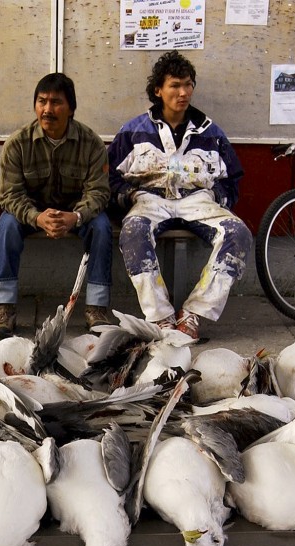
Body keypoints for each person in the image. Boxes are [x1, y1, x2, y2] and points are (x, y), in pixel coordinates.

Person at [108, 51, 252, 339]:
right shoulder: (134, 131)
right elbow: (112, 178)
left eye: (188, 85)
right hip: (149, 199)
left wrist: (216, 198)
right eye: (175, 85)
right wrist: (129, 197)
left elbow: (231, 179)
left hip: (198, 201)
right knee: (133, 230)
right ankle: (160, 317)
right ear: (158, 90)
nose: (183, 92)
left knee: (238, 233)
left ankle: (194, 313)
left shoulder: (211, 133)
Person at [0, 73, 112, 339]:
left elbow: (99, 193)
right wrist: (36, 217)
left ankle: (97, 309)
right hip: (31, 213)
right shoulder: (18, 144)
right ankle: (4, 309)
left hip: (75, 213)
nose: (47, 109)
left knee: (101, 226)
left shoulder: (91, 144)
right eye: (41, 101)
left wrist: (75, 217)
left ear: (71, 108)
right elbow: (9, 196)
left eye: (56, 102)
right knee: (7, 224)